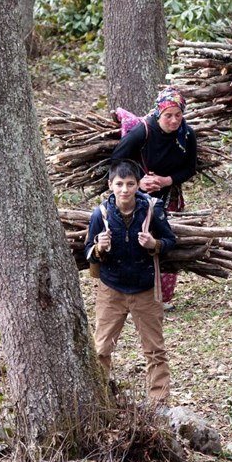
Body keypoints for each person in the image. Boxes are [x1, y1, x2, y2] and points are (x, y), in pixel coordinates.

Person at [85, 160, 178, 403]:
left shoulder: (151, 210)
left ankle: (159, 404)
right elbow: (88, 251)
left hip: (145, 289)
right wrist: (98, 247)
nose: (124, 189)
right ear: (110, 185)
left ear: (138, 185)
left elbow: (170, 241)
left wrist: (154, 244)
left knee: (155, 350)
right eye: (119, 184)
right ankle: (100, 402)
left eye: (130, 184)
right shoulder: (101, 214)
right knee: (101, 349)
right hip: (111, 289)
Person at [111, 86, 197, 309]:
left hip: (169, 197)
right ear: (159, 113)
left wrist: (167, 180)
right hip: (138, 198)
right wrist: (139, 181)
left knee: (166, 241)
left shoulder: (186, 135)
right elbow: (118, 160)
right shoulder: (143, 131)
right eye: (168, 115)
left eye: (178, 115)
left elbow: (190, 168)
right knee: (137, 243)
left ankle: (163, 297)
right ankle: (137, 295)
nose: (174, 120)